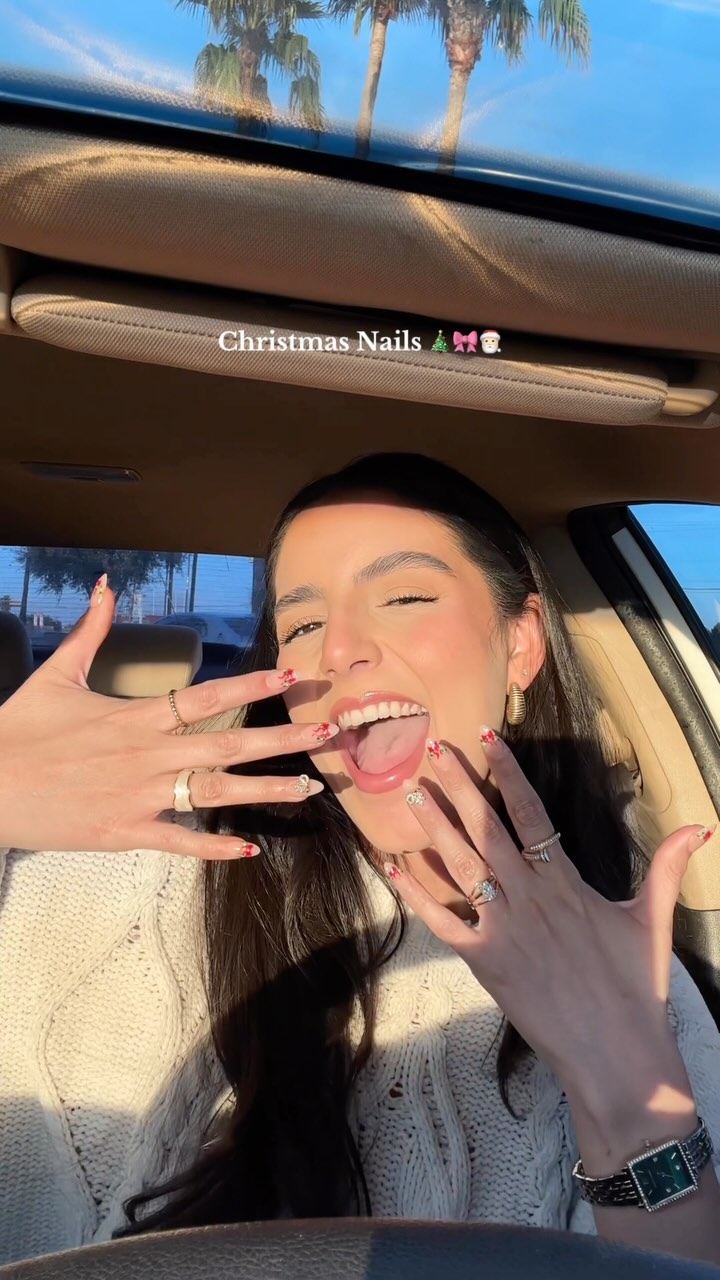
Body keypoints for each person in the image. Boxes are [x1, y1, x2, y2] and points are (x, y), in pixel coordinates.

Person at [0, 452, 719, 1267]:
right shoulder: (136, 870)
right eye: (302, 626)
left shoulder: (624, 965)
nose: (337, 649)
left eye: (405, 597)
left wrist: (627, 1096)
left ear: (521, 644)